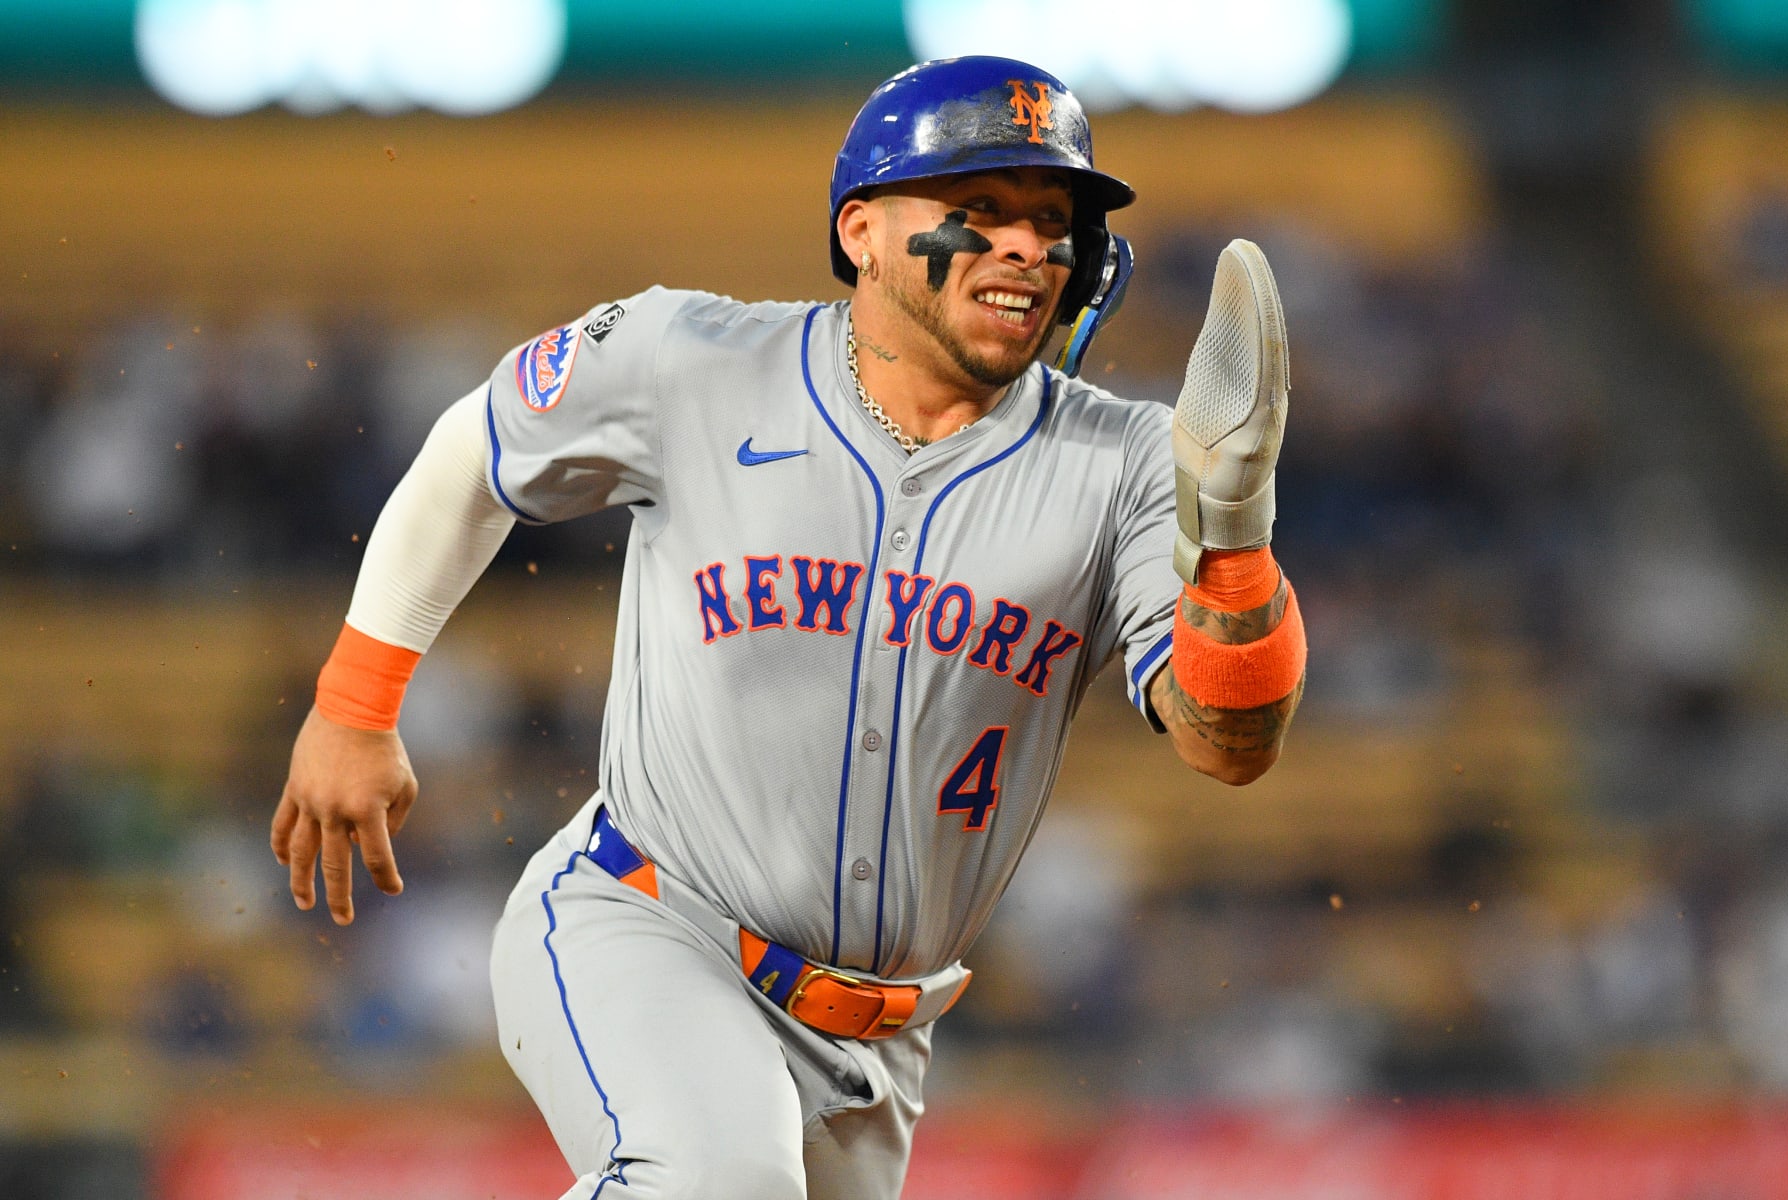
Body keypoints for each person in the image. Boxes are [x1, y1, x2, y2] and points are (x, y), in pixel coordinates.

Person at [270, 55, 1305, 1200]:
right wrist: (356, 703)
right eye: (979, 212)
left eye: (1051, 221)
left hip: (877, 1043)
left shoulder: (1126, 463)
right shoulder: (693, 362)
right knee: (719, 1184)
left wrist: (1234, 533)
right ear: (861, 231)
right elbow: (477, 448)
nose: (1025, 246)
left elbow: (1227, 741)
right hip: (650, 921)